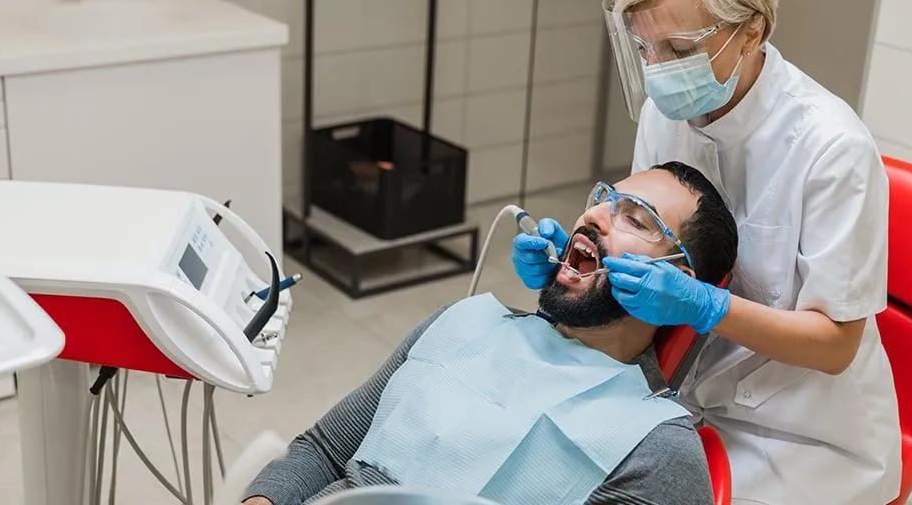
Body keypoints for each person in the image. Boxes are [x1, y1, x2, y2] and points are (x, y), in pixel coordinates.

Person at [512, 0, 902, 505]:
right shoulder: (663, 114)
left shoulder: (831, 149)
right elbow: (641, 246)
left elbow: (834, 345)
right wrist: (575, 272)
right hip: (675, 396)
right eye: (645, 47)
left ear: (752, 31)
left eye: (679, 48)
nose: (659, 71)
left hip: (799, 437)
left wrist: (706, 304)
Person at [242, 162, 737, 505]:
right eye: (603, 200)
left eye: (634, 218)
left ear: (676, 284)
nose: (594, 217)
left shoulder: (654, 450)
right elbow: (323, 449)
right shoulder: (459, 324)